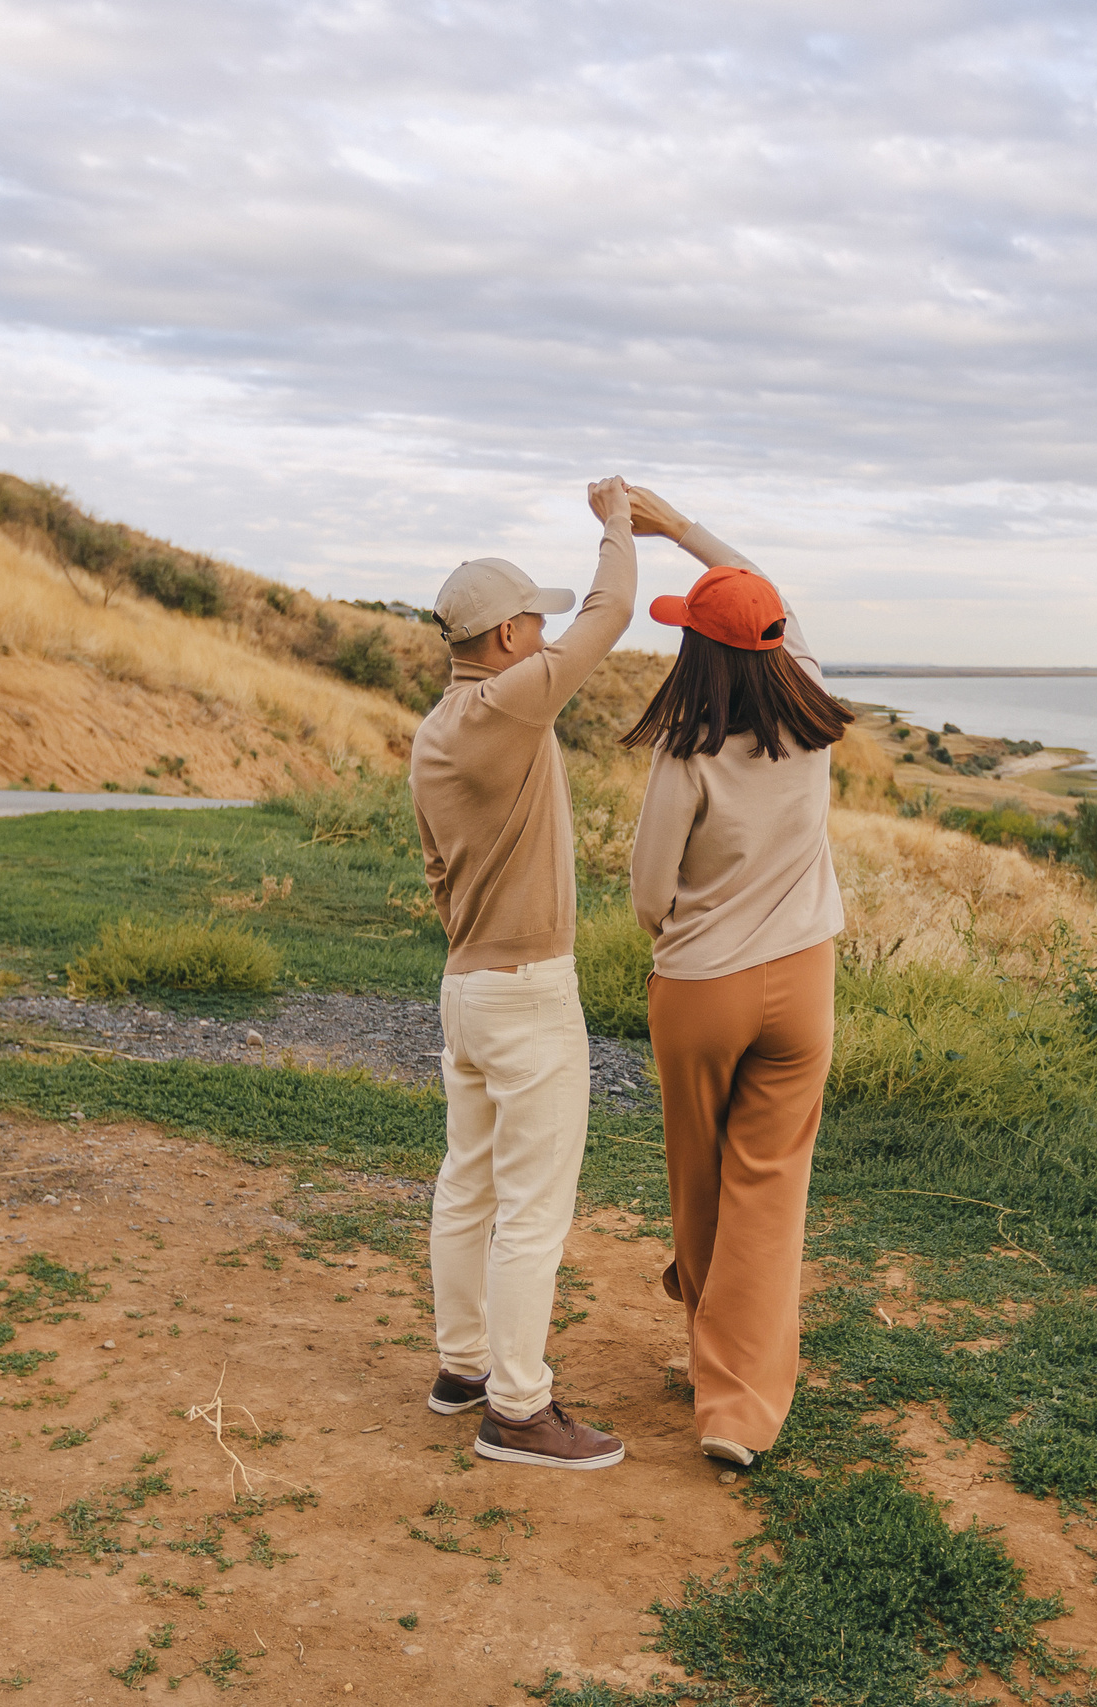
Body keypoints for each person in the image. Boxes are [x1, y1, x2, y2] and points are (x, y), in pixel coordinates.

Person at [409, 475, 637, 1471]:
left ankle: (463, 1367)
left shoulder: (435, 730)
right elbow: (612, 610)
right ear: (504, 636)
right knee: (533, 1210)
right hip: (527, 992)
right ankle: (517, 1407)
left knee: (468, 1183)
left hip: (465, 987)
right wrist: (619, 522)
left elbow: (436, 872)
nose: (547, 633)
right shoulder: (512, 703)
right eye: (535, 621)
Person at [621, 486, 852, 1468]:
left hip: (701, 987)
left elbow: (648, 894)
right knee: (769, 1186)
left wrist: (684, 931)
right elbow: (770, 598)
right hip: (803, 982)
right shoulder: (811, 705)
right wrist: (677, 525)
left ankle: (714, 1361)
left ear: (699, 655)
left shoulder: (688, 754)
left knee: (701, 1177)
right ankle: (736, 1407)